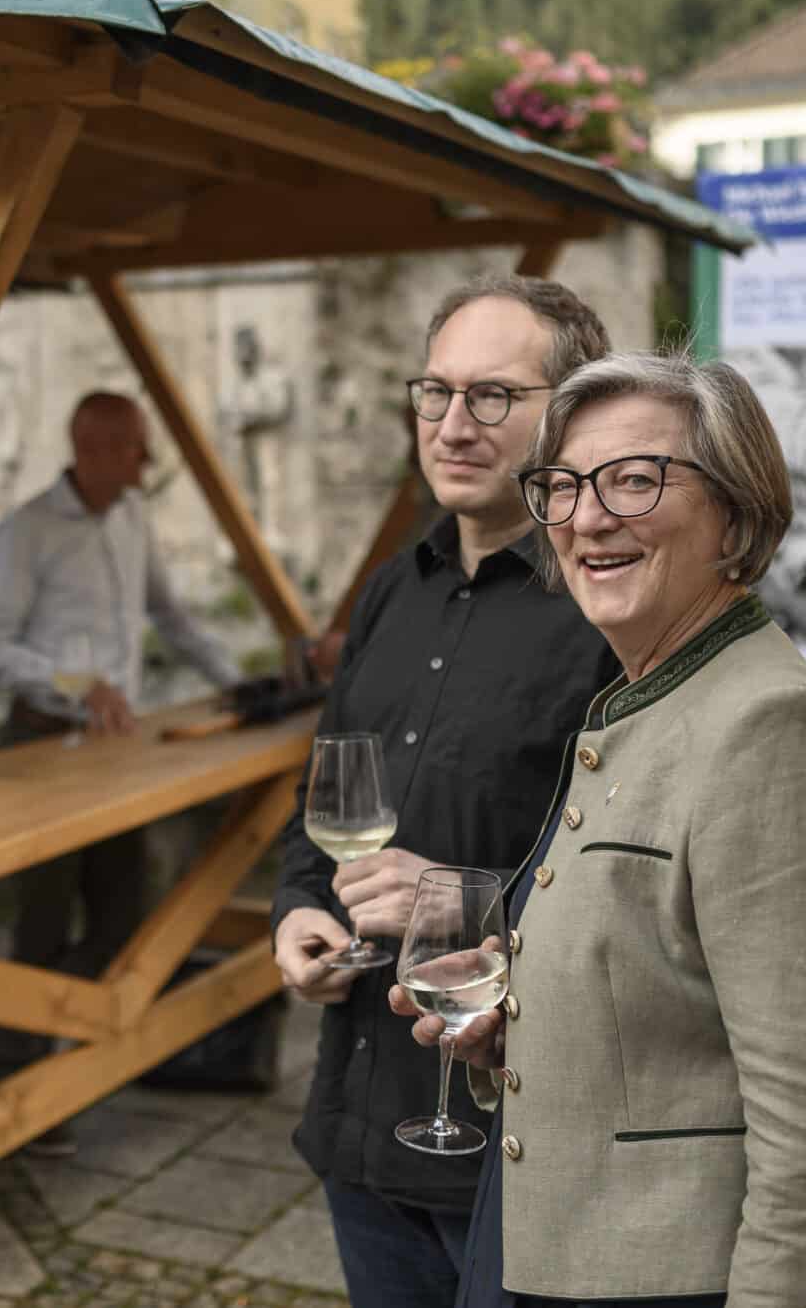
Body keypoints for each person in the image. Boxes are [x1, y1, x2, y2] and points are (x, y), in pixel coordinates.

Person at [396, 351, 806, 1307]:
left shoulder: (775, 734)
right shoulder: (655, 692)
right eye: (564, 486)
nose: (588, 517)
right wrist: (527, 1014)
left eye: (635, 479)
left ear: (736, 511)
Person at [268, 276, 619, 1308]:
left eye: (493, 395)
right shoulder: (391, 587)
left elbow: (638, 878)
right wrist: (296, 906)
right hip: (361, 1112)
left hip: (519, 1134)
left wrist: (461, 899)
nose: (453, 424)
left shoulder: (606, 608)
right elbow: (325, 803)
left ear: (568, 413)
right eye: (436, 391)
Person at [0, 390, 241, 1156]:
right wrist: (78, 685)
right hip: (39, 749)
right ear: (95, 448)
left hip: (113, 753)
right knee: (41, 931)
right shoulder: (26, 531)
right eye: (136, 447)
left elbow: (172, 616)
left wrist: (243, 683)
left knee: (125, 921)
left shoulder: (132, 518)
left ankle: (1, 1064)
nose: (147, 463)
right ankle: (26, 1090)